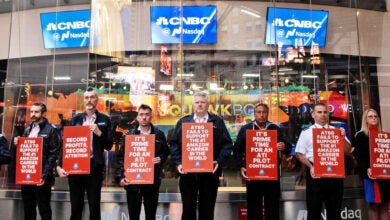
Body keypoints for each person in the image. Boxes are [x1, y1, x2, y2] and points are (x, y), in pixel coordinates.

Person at [169, 91, 233, 220]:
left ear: (207, 104)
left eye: (202, 102)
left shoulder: (217, 122)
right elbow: (174, 144)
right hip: (188, 175)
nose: (199, 105)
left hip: (209, 175)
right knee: (188, 210)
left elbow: (227, 145)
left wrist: (219, 161)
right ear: (193, 104)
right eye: (197, 102)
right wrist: (178, 163)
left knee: (207, 210)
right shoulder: (183, 122)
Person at [56, 88, 113, 220]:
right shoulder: (75, 120)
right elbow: (66, 144)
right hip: (75, 167)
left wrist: (99, 133)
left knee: (94, 206)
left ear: (96, 99)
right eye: (86, 97)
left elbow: (109, 145)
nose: (89, 100)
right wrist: (59, 166)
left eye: (92, 97)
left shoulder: (104, 119)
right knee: (76, 207)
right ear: (83, 100)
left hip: (94, 167)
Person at [233, 103, 291, 220]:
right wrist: (241, 166)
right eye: (258, 112)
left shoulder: (275, 128)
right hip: (253, 174)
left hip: (272, 175)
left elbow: (288, 148)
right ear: (254, 114)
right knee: (254, 208)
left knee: (273, 208)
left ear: (267, 114)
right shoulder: (246, 129)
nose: (261, 115)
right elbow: (237, 150)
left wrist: (283, 146)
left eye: (264, 112)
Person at [295, 103, 351, 220]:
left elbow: (347, 151)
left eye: (325, 112)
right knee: (314, 211)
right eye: (319, 112)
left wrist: (342, 138)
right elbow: (299, 154)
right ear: (313, 115)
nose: (323, 115)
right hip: (315, 174)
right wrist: (310, 166)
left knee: (335, 212)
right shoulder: (306, 132)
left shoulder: (336, 131)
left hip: (334, 175)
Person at [115, 104, 169, 220]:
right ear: (137, 117)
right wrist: (120, 177)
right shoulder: (129, 135)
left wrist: (161, 158)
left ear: (151, 117)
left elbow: (165, 152)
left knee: (151, 216)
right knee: (133, 216)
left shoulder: (159, 134)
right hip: (133, 183)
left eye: (147, 115)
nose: (144, 117)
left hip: (151, 183)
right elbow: (121, 157)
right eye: (141, 115)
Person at [14, 102, 60, 220]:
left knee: (44, 209)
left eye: (36, 112)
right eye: (32, 112)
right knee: (28, 209)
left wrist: (44, 175)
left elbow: (53, 154)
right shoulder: (27, 129)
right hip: (28, 176)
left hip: (42, 178)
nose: (33, 115)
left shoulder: (51, 130)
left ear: (43, 113)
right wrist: (18, 142)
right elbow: (24, 152)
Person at [353, 108, 390, 220]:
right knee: (373, 204)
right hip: (370, 175)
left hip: (384, 175)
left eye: (375, 116)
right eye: (370, 116)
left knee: (384, 204)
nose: (373, 118)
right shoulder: (360, 136)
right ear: (366, 119)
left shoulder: (383, 135)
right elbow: (359, 156)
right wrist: (367, 169)